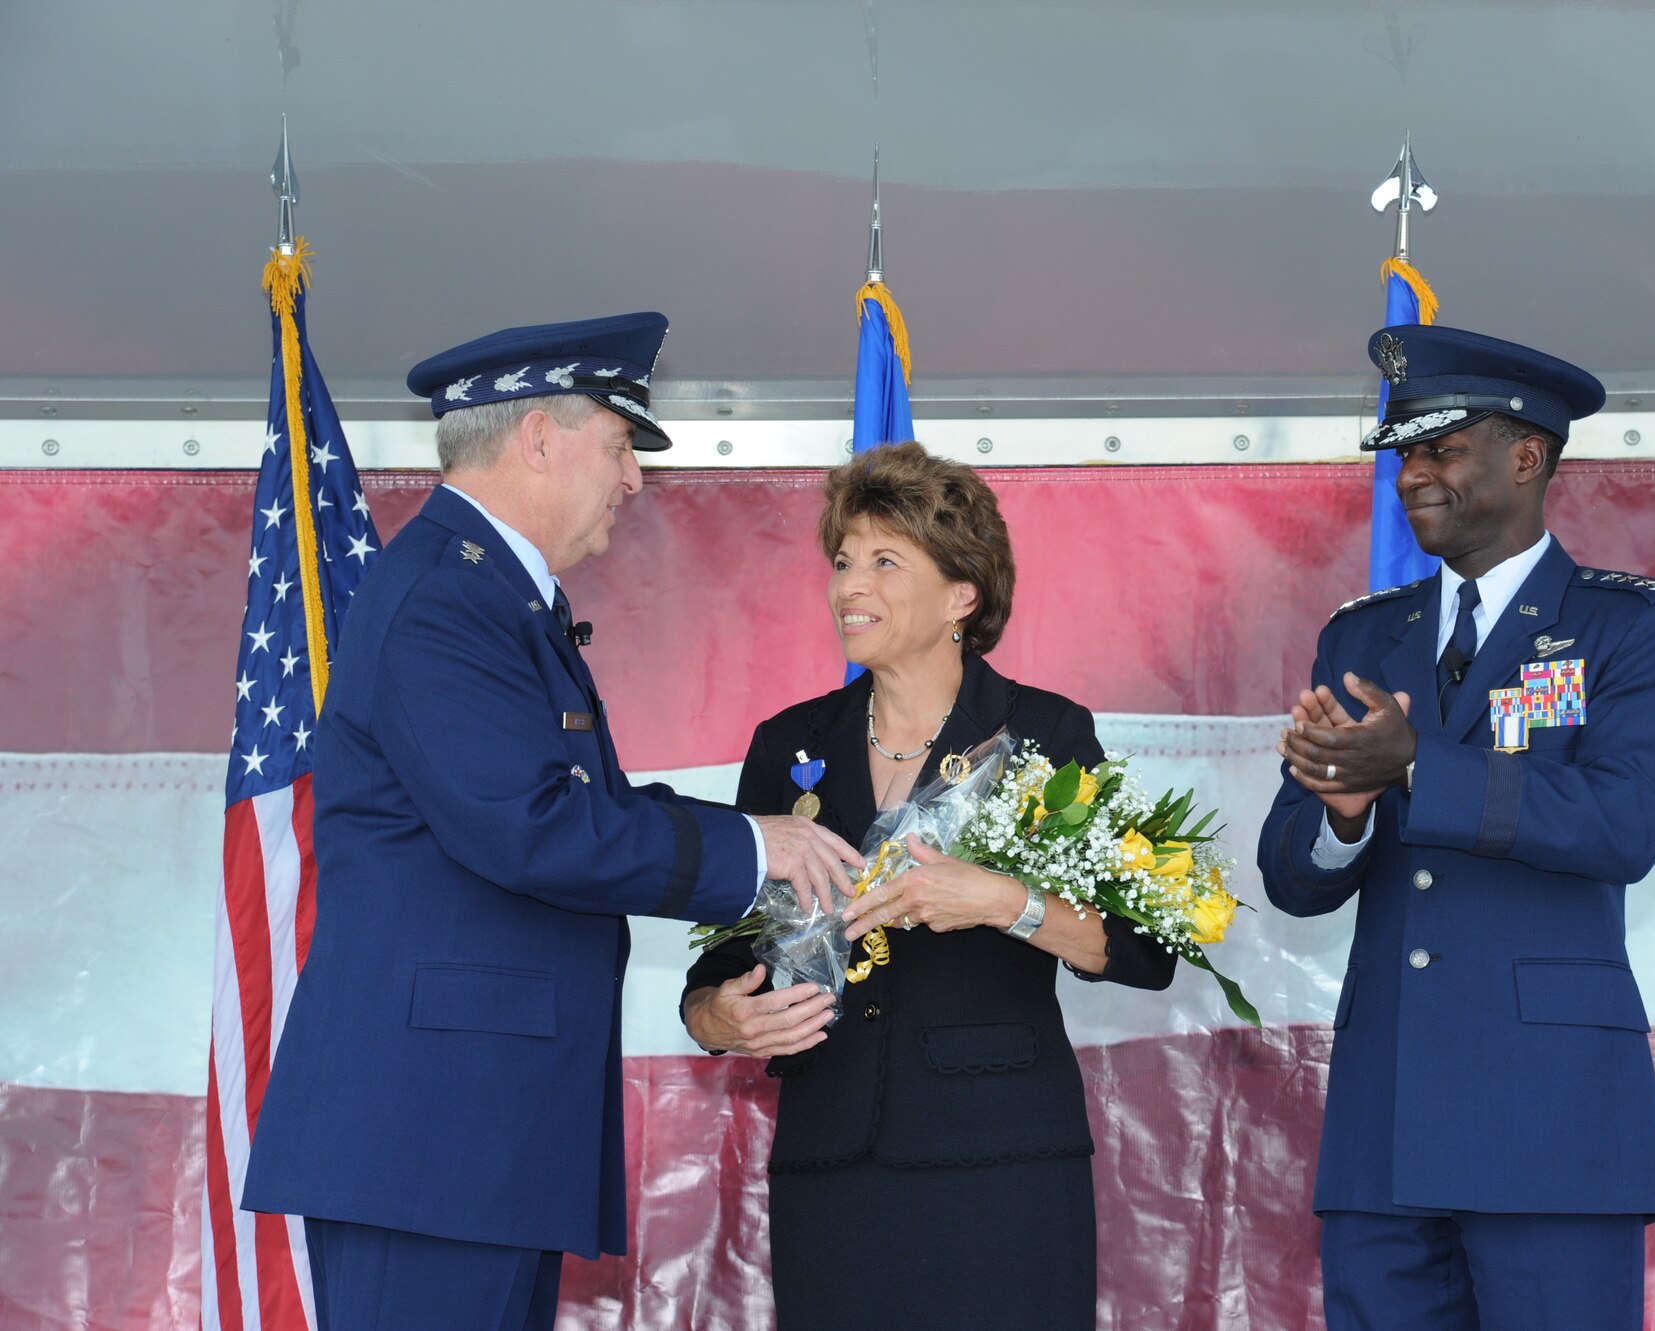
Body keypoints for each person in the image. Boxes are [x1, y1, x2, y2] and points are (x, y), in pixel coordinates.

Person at [242, 312, 861, 1331]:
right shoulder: (449, 597)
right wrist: (757, 846)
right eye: (620, 447)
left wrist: (760, 842)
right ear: (539, 438)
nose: (633, 480)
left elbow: (583, 812)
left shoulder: (491, 594)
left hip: (467, 1130)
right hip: (436, 1133)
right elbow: (531, 825)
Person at [1257, 325, 1655, 1331]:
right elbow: (1292, 869)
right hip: (1384, 1120)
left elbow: (1622, 822)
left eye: (1440, 448)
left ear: (1525, 456)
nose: (1411, 475)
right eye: (1402, 453)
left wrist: (1416, 764)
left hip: (1546, 1123)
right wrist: (1343, 812)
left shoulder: (1627, 625)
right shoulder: (1363, 633)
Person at [681, 441, 1177, 1331]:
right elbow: (728, 949)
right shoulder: (790, 743)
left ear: (962, 595)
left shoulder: (1042, 734)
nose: (847, 586)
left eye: (882, 561)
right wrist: (717, 1016)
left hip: (1001, 1166)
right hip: (832, 1167)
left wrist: (1001, 902)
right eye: (841, 561)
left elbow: (1145, 949)